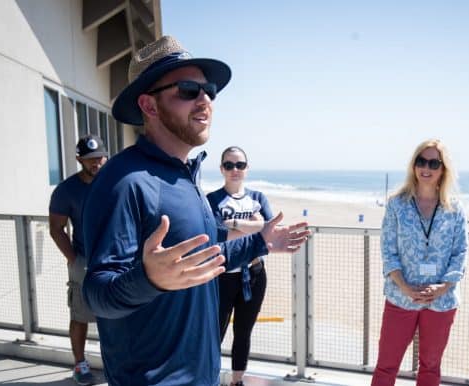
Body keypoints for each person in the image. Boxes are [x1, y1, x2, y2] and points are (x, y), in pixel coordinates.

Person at [80, 36, 310, 385]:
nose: (205, 100)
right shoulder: (123, 181)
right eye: (188, 89)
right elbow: (97, 294)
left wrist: (261, 242)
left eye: (209, 90)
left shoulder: (185, 177)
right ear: (150, 105)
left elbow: (207, 257)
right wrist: (149, 279)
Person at [371, 139, 467, 386]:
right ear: (413, 165)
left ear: (443, 169)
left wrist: (442, 287)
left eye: (434, 163)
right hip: (400, 297)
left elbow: (460, 252)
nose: (426, 167)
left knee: (431, 367)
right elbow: (388, 250)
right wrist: (403, 286)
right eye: (421, 161)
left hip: (441, 301)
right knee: (386, 366)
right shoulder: (396, 204)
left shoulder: (455, 209)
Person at [207, 146, 272, 386]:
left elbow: (268, 234)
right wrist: (251, 225)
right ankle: (209, 379)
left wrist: (233, 224)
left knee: (243, 333)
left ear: (247, 168)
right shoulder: (212, 200)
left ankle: (237, 381)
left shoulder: (258, 198)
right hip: (221, 275)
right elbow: (215, 233)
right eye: (229, 165)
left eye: (240, 165)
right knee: (215, 333)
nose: (235, 170)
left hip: (253, 275)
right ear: (222, 168)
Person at [48, 134, 108, 385]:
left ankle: (115, 362)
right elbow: (56, 228)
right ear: (79, 159)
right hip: (83, 260)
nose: (96, 163)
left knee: (115, 314)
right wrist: (73, 260)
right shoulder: (67, 189)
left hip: (114, 260)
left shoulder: (114, 182)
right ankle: (80, 364)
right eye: (90, 159)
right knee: (80, 316)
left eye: (99, 158)